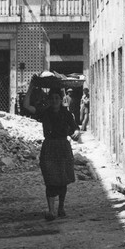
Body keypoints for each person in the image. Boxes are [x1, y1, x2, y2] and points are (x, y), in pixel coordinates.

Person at [26, 79, 78, 221]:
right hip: (49, 148)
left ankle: (61, 207)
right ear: (49, 100)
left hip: (63, 147)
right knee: (50, 178)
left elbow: (75, 129)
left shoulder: (66, 114)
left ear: (61, 100)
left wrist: (76, 133)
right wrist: (31, 87)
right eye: (52, 98)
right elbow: (26, 106)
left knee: (63, 178)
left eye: (57, 98)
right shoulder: (45, 112)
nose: (55, 100)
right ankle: (51, 211)